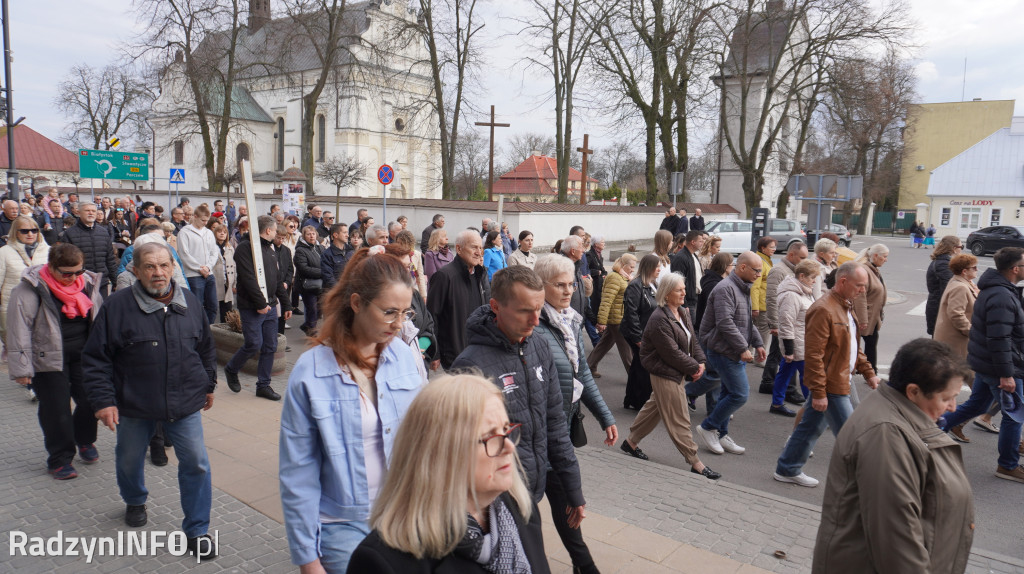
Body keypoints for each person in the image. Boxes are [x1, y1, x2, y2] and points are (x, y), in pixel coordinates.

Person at [279, 248, 426, 573]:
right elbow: (297, 472)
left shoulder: (403, 356)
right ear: (357, 303)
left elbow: (422, 438)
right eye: (390, 312)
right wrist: (308, 560)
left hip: (403, 520)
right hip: (342, 527)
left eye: (405, 313)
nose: (398, 324)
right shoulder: (312, 372)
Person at [81, 242, 218, 561]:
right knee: (129, 459)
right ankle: (134, 499)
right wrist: (103, 401)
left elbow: (206, 349)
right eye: (150, 267)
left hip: (184, 401)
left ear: (173, 267)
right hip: (134, 403)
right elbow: (96, 358)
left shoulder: (191, 303)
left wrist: (208, 384)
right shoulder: (116, 306)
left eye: (164, 266)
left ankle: (197, 530)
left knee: (196, 463)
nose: (158, 273)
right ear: (137, 270)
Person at [450, 266, 586, 568]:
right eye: (525, 311)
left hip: (532, 493)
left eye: (538, 310)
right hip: (498, 499)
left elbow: (555, 425)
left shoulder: (539, 344)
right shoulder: (470, 365)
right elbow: (461, 451)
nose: (535, 321)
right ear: (496, 307)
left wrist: (572, 489)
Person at [348, 374, 547, 573]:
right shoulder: (382, 563)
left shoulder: (519, 508)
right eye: (490, 437)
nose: (509, 447)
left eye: (506, 430)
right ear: (442, 454)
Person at [812, 339, 974, 574]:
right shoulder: (886, 434)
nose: (952, 407)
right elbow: (897, 536)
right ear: (913, 391)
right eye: (947, 398)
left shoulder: (898, 418)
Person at [532, 256, 617, 573]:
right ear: (541, 286)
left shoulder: (570, 321)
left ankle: (584, 564)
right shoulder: (534, 326)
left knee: (568, 501)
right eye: (560, 285)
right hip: (535, 439)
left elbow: (582, 375)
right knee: (527, 513)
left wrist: (605, 417)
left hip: (560, 433)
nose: (568, 291)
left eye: (571, 284)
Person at [774, 262, 879, 487]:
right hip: (832, 384)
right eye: (860, 285)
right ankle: (868, 484)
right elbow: (814, 356)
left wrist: (868, 371)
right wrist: (820, 392)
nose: (863, 290)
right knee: (852, 433)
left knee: (810, 427)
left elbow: (850, 347)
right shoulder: (824, 309)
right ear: (843, 282)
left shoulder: (844, 305)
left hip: (840, 379)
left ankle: (787, 468)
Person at [7, 243, 103, 480]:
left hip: (84, 356)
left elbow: (100, 321)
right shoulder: (28, 290)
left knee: (91, 400)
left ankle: (84, 440)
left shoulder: (88, 284)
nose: (73, 278)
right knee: (56, 409)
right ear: (51, 267)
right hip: (48, 359)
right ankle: (59, 458)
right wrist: (22, 368)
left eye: (77, 272)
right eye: (66, 273)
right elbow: (18, 330)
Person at [620, 272, 722, 481]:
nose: (685, 292)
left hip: (676, 370)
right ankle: (695, 462)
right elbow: (671, 353)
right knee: (679, 418)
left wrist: (700, 361)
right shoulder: (658, 319)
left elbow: (692, 339)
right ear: (666, 294)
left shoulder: (682, 312)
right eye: (679, 289)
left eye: (684, 288)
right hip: (664, 372)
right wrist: (695, 368)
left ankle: (630, 442)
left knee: (654, 408)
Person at [938, 247, 1024, 483]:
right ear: (1015, 269)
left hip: (987, 364)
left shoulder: (1001, 290)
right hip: (1001, 368)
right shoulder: (1001, 296)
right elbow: (999, 338)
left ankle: (934, 431)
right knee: (1014, 415)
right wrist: (1006, 375)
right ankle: (1007, 466)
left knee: (977, 405)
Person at [694, 251, 767, 456]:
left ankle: (721, 433)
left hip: (732, 350)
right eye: (756, 270)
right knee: (740, 394)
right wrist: (743, 348)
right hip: (723, 350)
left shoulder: (742, 288)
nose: (759, 275)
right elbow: (725, 322)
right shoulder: (725, 288)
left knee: (728, 393)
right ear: (742, 267)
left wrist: (758, 343)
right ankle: (708, 427)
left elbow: (745, 321)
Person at [224, 215, 292, 400]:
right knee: (254, 343)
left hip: (270, 306)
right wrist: (260, 304)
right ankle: (231, 369)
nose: (277, 232)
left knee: (270, 346)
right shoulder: (246, 249)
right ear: (268, 230)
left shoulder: (269, 249)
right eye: (275, 229)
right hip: (252, 306)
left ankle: (263, 385)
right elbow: (248, 278)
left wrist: (286, 304)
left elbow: (276, 280)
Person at [934, 253, 985, 443]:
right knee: (981, 391)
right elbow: (956, 314)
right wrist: (973, 333)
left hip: (960, 346)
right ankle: (942, 424)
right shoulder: (960, 287)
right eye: (974, 268)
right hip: (958, 345)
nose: (977, 270)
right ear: (965, 271)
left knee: (980, 392)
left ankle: (953, 423)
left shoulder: (966, 284)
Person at [427, 229, 489, 369]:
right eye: (474, 247)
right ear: (459, 249)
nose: (479, 252)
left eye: (480, 248)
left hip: (479, 351)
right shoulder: (445, 276)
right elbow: (431, 317)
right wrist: (434, 353)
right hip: (455, 355)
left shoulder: (481, 275)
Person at [758, 241, 809, 404]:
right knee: (787, 355)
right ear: (791, 254)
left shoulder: (794, 269)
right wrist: (774, 323)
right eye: (802, 257)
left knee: (779, 354)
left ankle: (769, 383)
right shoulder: (779, 270)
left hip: (788, 321)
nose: (804, 261)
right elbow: (771, 298)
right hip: (782, 321)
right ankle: (786, 389)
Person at [768, 260, 819, 416]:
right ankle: (814, 410)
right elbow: (787, 322)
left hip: (802, 339)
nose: (815, 281)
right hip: (798, 342)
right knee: (807, 377)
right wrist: (789, 349)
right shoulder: (792, 294)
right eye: (812, 278)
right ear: (802, 276)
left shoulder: (802, 291)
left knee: (785, 372)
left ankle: (777, 403)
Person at [0, 216, 49, 372]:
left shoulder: (48, 250)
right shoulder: (4, 252)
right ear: (16, 232)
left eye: (34, 230)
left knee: (40, 344)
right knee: (22, 345)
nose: (30, 234)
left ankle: (36, 384)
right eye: (25, 231)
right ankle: (28, 380)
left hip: (42, 306)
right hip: (13, 307)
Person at [621, 254, 661, 410]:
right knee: (643, 367)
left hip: (648, 332)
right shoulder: (635, 286)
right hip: (636, 332)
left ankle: (631, 398)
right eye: (657, 267)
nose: (659, 269)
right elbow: (631, 313)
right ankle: (640, 400)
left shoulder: (653, 284)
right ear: (649, 268)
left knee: (638, 364)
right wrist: (637, 337)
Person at [588, 253, 636, 377]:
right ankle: (634, 377)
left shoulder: (623, 277)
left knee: (603, 345)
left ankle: (588, 367)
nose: (633, 270)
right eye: (631, 267)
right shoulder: (615, 278)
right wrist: (602, 321)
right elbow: (606, 301)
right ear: (624, 265)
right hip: (617, 320)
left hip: (619, 318)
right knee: (626, 350)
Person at [57, 202, 117, 298]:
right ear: (79, 212)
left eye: (93, 211)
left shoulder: (103, 232)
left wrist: (115, 281)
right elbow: (65, 261)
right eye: (87, 210)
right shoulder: (69, 233)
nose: (91, 213)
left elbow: (110, 259)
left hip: (101, 282)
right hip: (79, 284)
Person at [177, 204, 220, 325]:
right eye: (203, 220)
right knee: (196, 306)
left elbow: (214, 252)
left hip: (209, 273)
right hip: (193, 274)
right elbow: (184, 254)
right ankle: (197, 330)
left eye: (207, 220)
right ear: (195, 216)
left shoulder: (209, 233)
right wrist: (199, 268)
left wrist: (208, 267)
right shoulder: (184, 232)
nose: (205, 223)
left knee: (212, 305)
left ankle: (208, 328)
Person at [853, 243, 888, 373]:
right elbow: (860, 296)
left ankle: (867, 368)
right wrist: (863, 319)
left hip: (872, 315)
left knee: (868, 342)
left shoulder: (872, 269)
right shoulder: (865, 270)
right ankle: (870, 370)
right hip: (866, 315)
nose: (886, 259)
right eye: (884, 256)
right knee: (867, 342)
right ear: (875, 256)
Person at [925, 236, 962, 336]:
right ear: (954, 248)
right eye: (961, 246)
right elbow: (950, 290)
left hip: (938, 308)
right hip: (939, 310)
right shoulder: (943, 265)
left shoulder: (942, 262)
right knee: (940, 346)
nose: (961, 249)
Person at [669, 230, 705, 324]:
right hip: (688, 301)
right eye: (701, 241)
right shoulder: (681, 258)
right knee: (690, 327)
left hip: (696, 299)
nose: (703, 243)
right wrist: (684, 304)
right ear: (693, 242)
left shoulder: (693, 255)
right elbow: (678, 281)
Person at [750, 236, 776, 366]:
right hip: (761, 304)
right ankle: (760, 358)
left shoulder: (765, 260)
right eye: (771, 247)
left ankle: (750, 354)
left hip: (762, 302)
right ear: (763, 248)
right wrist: (755, 306)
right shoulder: (760, 261)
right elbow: (755, 286)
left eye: (774, 247)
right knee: (763, 331)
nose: (774, 249)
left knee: (752, 328)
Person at [293, 225, 324, 335]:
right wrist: (322, 272)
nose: (311, 236)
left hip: (320, 284)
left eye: (313, 233)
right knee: (312, 308)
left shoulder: (320, 248)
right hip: (307, 284)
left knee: (320, 309)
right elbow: (304, 268)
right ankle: (312, 330)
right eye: (308, 234)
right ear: (304, 236)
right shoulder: (300, 250)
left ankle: (306, 326)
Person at [211, 222, 235, 323]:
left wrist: (234, 283)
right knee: (213, 306)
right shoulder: (212, 247)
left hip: (228, 280)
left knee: (227, 307)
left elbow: (234, 265)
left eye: (224, 232)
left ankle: (226, 328)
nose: (222, 234)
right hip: (216, 279)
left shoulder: (229, 248)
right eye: (219, 232)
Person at [321, 223, 353, 291]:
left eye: (347, 232)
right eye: (344, 233)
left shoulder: (351, 252)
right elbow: (328, 277)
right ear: (335, 235)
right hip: (334, 294)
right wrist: (340, 290)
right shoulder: (327, 254)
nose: (347, 235)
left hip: (349, 292)